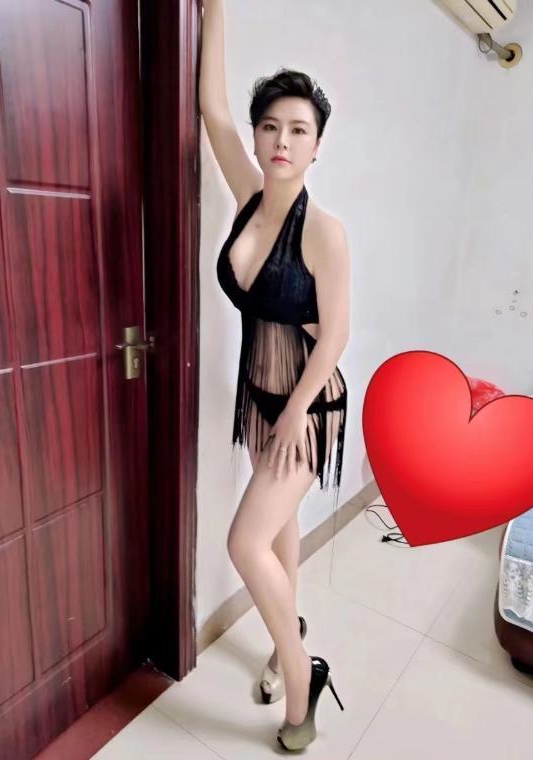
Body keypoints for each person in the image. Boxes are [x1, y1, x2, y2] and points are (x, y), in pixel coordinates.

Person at [199, 0, 349, 750]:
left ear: (316, 146)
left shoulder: (324, 232)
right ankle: (286, 628)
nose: (281, 140)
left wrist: (294, 414)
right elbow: (211, 108)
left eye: (298, 130)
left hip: (306, 407)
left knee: (245, 542)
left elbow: (337, 335)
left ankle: (301, 677)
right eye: (271, 127)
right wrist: (213, 9)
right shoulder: (249, 197)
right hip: (257, 396)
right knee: (280, 530)